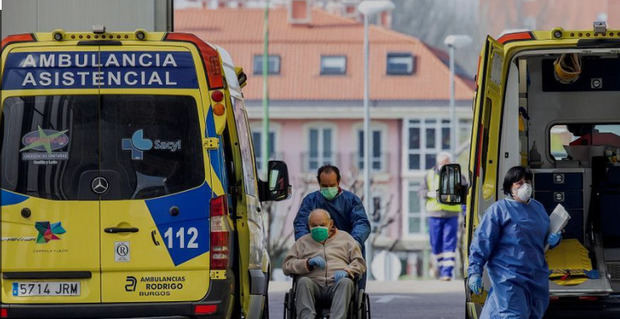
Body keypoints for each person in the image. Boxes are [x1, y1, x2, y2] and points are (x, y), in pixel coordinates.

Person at [467, 166, 562, 319]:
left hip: (536, 277)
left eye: (527, 182)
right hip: (509, 278)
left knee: (530, 314)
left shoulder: (537, 208)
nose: (525, 186)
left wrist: (555, 240)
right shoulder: (498, 210)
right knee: (514, 315)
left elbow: (541, 238)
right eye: (519, 183)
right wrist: (474, 272)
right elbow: (482, 242)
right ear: (509, 187)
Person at [283, 209, 366, 319]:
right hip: (313, 284)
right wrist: (306, 263)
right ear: (309, 226)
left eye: (322, 225)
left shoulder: (346, 239)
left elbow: (360, 263)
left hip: (336, 284)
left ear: (330, 224)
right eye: (314, 225)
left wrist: (348, 271)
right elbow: (287, 265)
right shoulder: (302, 242)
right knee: (303, 282)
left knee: (346, 282)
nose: (318, 228)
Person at [294, 164, 370, 248]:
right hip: (316, 251)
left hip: (346, 251)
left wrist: (355, 242)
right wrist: (305, 245)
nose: (329, 189)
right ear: (319, 183)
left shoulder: (351, 200)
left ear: (338, 181)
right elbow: (300, 224)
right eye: (325, 186)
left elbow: (361, 222)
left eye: (332, 185)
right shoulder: (310, 201)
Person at [423, 152, 462, 281]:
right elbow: (421, 191)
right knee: (435, 243)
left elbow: (464, 188)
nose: (445, 164)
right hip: (434, 214)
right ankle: (440, 267)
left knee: (449, 243)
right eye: (443, 162)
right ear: (438, 163)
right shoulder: (429, 175)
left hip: (451, 213)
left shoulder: (457, 174)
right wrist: (429, 193)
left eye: (447, 161)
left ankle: (447, 273)